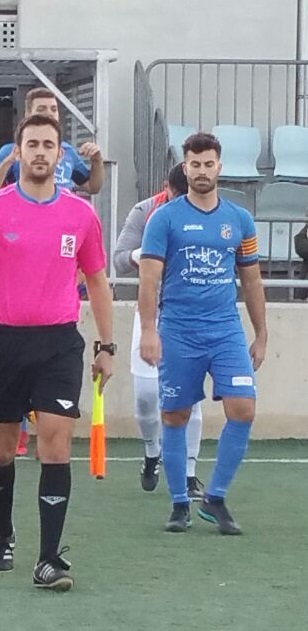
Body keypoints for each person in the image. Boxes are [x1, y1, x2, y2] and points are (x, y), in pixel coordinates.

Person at [0, 114, 114, 592]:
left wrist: (107, 345)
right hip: (2, 341)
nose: (41, 152)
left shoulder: (81, 214)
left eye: (49, 144)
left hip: (59, 343)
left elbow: (99, 282)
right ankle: (3, 535)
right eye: (32, 144)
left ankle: (49, 559)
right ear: (16, 153)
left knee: (55, 444)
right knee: (1, 450)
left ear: (60, 154)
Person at [139, 132, 266, 536]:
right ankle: (179, 503)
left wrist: (261, 333)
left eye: (209, 164)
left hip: (225, 330)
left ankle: (215, 497)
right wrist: (148, 331)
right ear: (185, 166)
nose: (202, 171)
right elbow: (148, 280)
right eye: (195, 164)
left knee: (243, 408)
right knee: (174, 414)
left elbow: (252, 280)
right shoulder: (164, 219)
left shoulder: (239, 220)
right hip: (178, 330)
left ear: (219, 166)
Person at [113, 163, 204, 496]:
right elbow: (119, 258)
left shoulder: (207, 211)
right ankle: (152, 451)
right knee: (147, 398)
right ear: (168, 188)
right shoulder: (145, 211)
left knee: (191, 399)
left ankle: (190, 472)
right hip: (152, 310)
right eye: (178, 194)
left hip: (192, 315)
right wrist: (146, 253)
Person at [0, 87, 104, 199]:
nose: (49, 114)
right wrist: (8, 161)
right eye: (42, 109)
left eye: (53, 109)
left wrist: (96, 159)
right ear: (28, 114)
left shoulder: (68, 150)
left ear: (60, 154)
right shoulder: (11, 151)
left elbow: (92, 187)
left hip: (62, 218)